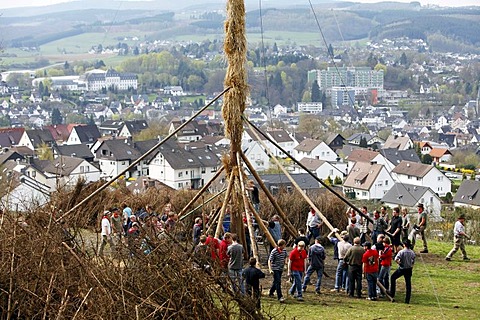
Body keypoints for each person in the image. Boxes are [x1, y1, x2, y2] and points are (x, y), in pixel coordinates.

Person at [389, 239, 416, 304]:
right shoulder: (412, 252)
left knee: (393, 277)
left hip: (402, 268)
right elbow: (413, 260)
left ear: (404, 245)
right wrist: (411, 265)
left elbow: (396, 259)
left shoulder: (402, 252)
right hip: (409, 269)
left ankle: (392, 293)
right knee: (408, 284)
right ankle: (407, 300)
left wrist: (399, 263)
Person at [268, 239, 288, 303]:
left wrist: (285, 264)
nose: (285, 246)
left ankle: (271, 292)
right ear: (281, 245)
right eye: (284, 245)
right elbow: (270, 261)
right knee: (278, 282)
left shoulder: (284, 251)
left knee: (276, 281)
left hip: (280, 268)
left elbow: (285, 257)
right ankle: (280, 296)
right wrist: (270, 269)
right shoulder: (274, 251)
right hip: (275, 268)